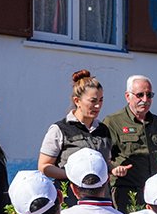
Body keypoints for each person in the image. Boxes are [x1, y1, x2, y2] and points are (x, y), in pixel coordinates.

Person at [38, 70, 113, 204]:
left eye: (101, 100)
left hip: (101, 201)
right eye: (93, 101)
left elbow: (105, 163)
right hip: (70, 200)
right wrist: (74, 174)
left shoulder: (103, 130)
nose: (98, 106)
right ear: (77, 101)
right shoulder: (60, 129)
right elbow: (44, 166)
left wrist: (114, 169)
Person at [104, 75, 157, 212]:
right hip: (125, 193)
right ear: (128, 96)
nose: (145, 100)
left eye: (149, 95)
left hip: (152, 194)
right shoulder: (113, 121)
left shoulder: (156, 122)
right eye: (140, 95)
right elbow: (103, 158)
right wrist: (114, 168)